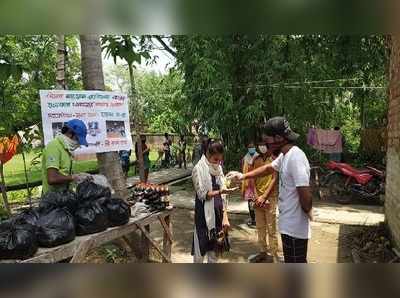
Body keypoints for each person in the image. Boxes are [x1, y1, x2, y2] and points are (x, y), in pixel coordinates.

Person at [227, 117, 312, 263]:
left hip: (295, 229)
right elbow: (268, 168)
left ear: (279, 138)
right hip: (288, 226)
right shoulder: (285, 156)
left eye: (267, 140)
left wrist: (307, 211)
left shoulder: (296, 157)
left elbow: (305, 196)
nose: (265, 144)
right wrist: (242, 176)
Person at [191, 140, 237, 263]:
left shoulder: (219, 169)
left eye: (220, 160)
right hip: (203, 216)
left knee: (214, 252)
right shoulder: (198, 169)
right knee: (200, 251)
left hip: (217, 215)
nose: (218, 163)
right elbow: (202, 194)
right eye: (215, 159)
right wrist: (220, 192)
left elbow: (224, 197)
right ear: (207, 154)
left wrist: (225, 216)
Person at [248, 139, 279, 263]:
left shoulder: (274, 161)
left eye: (263, 145)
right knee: (260, 227)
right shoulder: (255, 160)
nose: (261, 147)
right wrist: (256, 197)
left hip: (270, 197)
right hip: (258, 198)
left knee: (271, 228)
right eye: (259, 144)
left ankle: (272, 254)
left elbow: (274, 179)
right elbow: (252, 178)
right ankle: (262, 251)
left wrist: (264, 197)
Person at [41, 119, 91, 194]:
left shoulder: (67, 149)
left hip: (64, 196)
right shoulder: (54, 147)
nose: (78, 143)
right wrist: (74, 177)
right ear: (70, 133)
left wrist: (79, 175)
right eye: (77, 139)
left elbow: (64, 173)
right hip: (52, 200)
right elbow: (52, 178)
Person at [240, 140, 258, 228]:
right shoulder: (245, 158)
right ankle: (253, 219)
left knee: (257, 200)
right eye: (250, 147)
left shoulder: (258, 157)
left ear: (255, 148)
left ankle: (258, 218)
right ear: (248, 149)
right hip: (248, 184)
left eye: (253, 147)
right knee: (250, 202)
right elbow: (242, 170)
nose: (251, 149)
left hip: (257, 183)